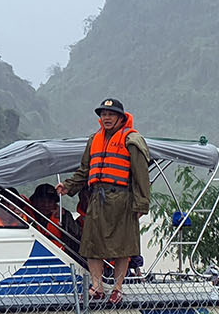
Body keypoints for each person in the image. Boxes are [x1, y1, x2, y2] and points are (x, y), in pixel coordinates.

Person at [57, 99, 151, 302]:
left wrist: (141, 203)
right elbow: (84, 170)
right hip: (97, 198)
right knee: (92, 243)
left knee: (123, 245)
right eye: (103, 114)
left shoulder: (132, 140)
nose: (106, 118)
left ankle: (117, 288)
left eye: (111, 114)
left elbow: (141, 174)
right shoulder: (94, 140)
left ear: (120, 117)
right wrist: (69, 185)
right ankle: (97, 287)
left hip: (122, 198)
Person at [29, 183, 80, 251]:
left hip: (61, 254)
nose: (46, 205)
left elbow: (76, 235)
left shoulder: (64, 215)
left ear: (55, 203)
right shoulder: (28, 215)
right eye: (42, 201)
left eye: (50, 201)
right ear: (35, 202)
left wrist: (64, 218)